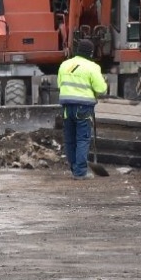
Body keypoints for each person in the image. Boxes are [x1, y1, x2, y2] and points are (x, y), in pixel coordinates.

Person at [56, 38, 107, 178]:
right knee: (82, 139)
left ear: (78, 50)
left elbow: (60, 85)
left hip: (67, 108)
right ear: (91, 53)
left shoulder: (64, 65)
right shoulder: (92, 67)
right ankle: (80, 172)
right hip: (83, 108)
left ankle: (74, 169)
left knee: (70, 140)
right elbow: (101, 88)